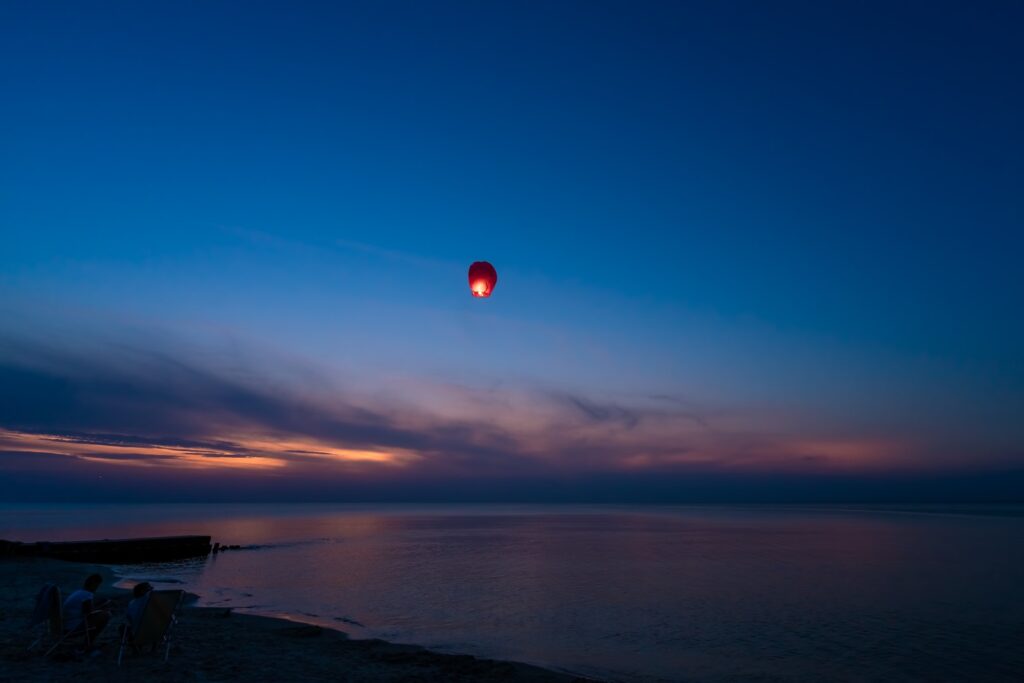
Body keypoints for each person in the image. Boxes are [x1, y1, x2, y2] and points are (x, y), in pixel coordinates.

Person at [62, 573, 111, 646]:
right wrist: (102, 608)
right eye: (97, 586)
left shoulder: (78, 592)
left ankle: (88, 641)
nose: (96, 588)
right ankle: (88, 642)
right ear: (94, 585)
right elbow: (89, 614)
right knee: (106, 615)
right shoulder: (87, 594)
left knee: (101, 612)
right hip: (71, 629)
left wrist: (98, 607)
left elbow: (85, 610)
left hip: (64, 626)